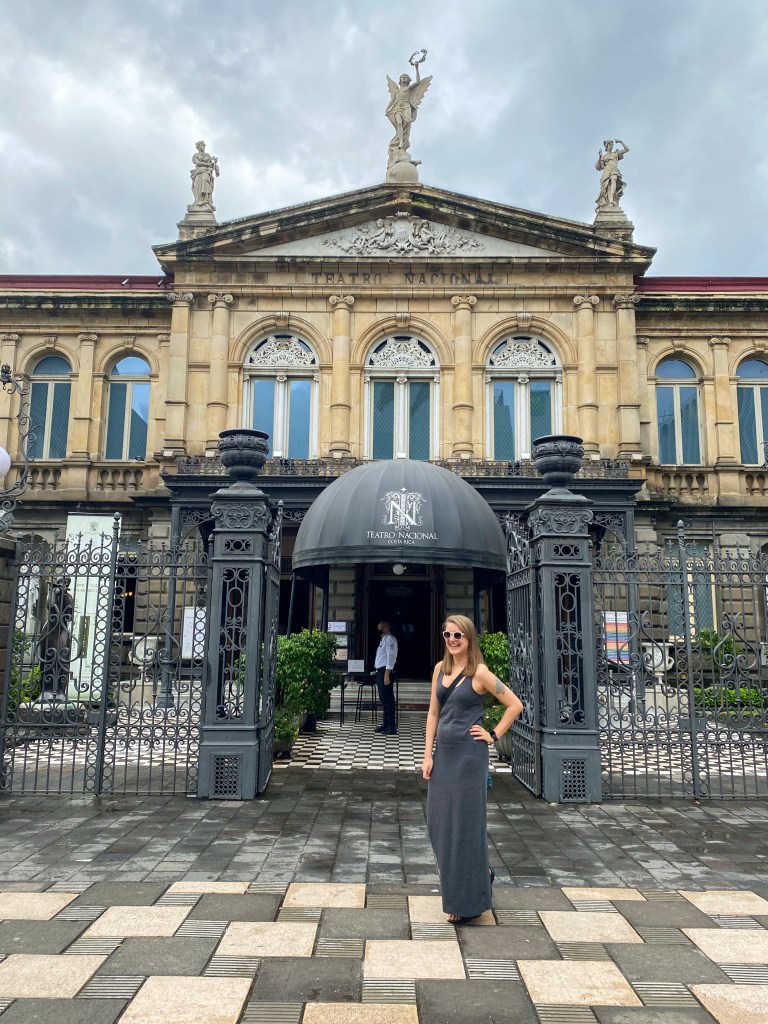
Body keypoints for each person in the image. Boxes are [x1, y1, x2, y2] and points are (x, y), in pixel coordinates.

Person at [422, 614, 523, 924]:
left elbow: (515, 705)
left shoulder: (479, 673)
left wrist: (493, 734)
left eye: (458, 636)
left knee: (464, 825)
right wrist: (427, 755)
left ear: (468, 639)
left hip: (468, 758)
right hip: (444, 756)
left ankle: (466, 901)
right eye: (447, 635)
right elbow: (433, 714)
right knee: (439, 823)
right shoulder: (440, 669)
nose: (452, 640)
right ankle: (481, 874)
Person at [374, 619, 398, 735]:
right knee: (383, 699)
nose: (378, 630)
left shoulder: (389, 639)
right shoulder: (383, 639)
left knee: (388, 699)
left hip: (385, 671)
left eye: (380, 628)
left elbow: (391, 657)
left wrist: (387, 675)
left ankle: (391, 726)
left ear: (385, 628)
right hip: (380, 671)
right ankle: (385, 724)